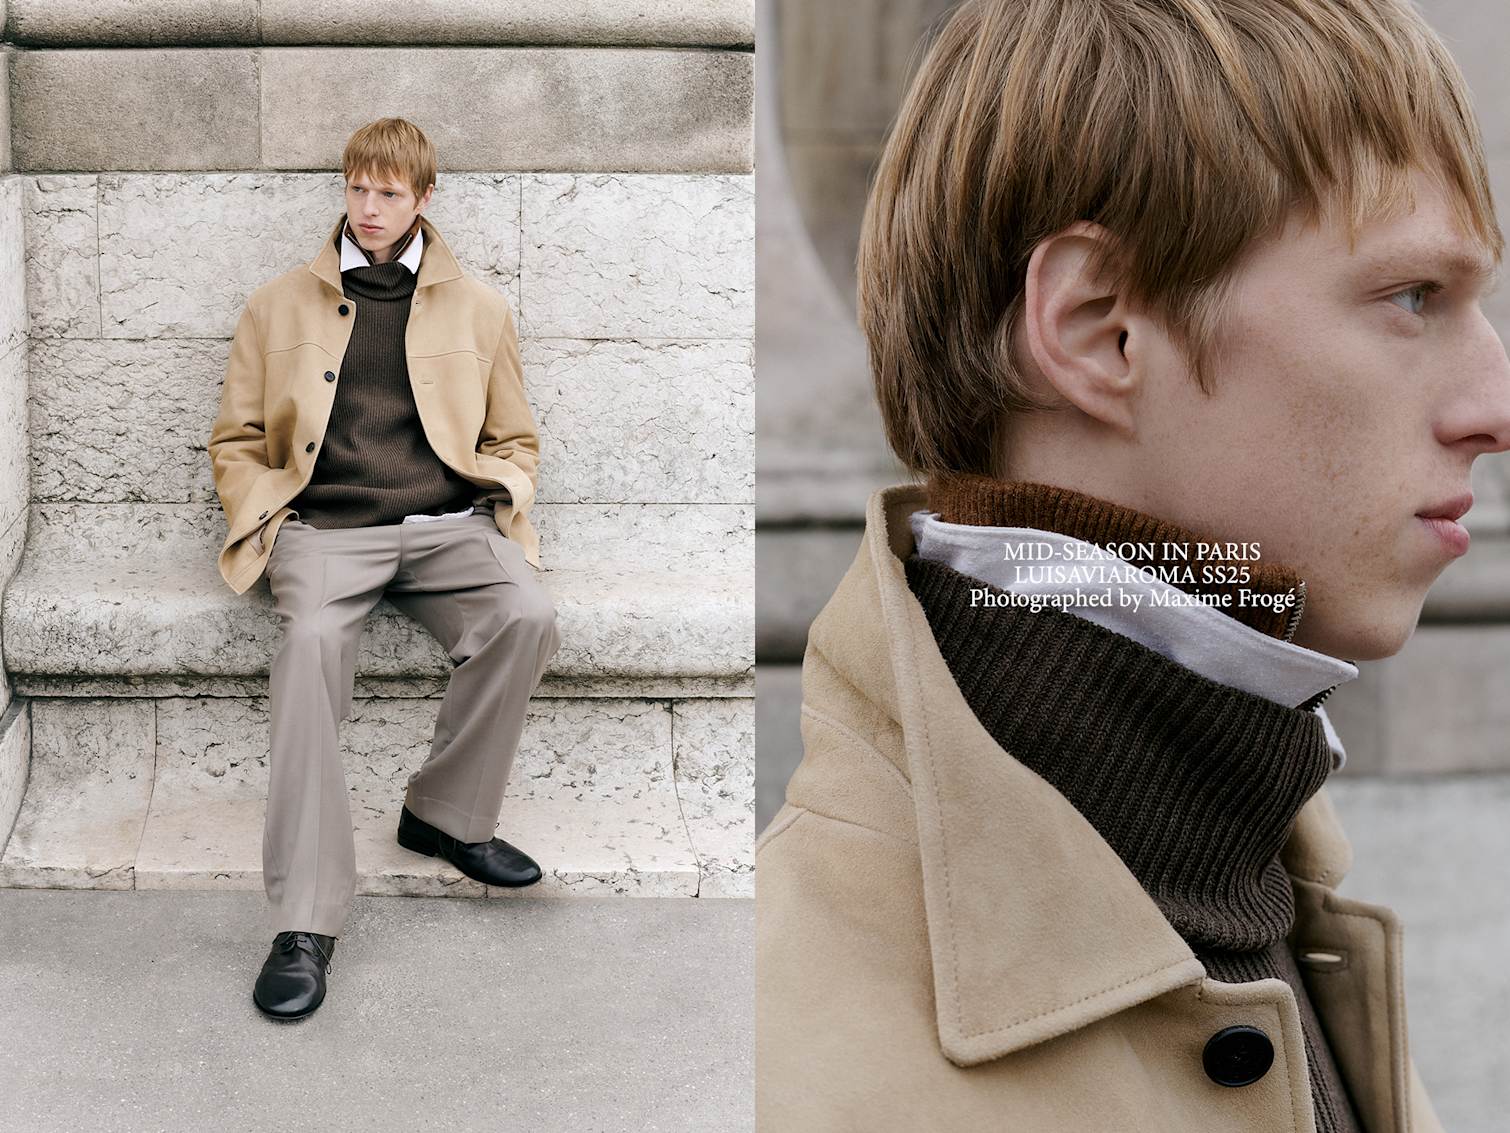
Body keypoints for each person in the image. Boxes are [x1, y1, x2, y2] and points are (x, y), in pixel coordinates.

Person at [756, 1, 1510, 1128]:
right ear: (1101, 326)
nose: (1491, 408)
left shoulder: (1265, 887)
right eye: (1412, 297)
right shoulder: (767, 1062)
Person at [207, 117, 561, 1021]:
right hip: (327, 531)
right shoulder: (277, 304)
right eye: (356, 189)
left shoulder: (479, 308)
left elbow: (512, 433)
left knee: (525, 613)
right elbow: (238, 439)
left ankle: (444, 814)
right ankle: (303, 920)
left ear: (423, 199)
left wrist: (502, 494)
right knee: (312, 646)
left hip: (445, 526)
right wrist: (271, 522)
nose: (368, 209)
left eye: (388, 193)